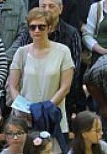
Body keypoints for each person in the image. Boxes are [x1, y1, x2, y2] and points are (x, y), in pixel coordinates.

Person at [8, 8, 74, 138]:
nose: (37, 30)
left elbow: (65, 87)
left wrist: (46, 108)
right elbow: (12, 86)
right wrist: (25, 110)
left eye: (41, 27)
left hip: (53, 116)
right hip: (25, 118)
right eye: (32, 27)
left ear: (49, 28)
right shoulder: (21, 52)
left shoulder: (63, 51)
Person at [36, 0, 84, 117]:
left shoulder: (71, 34)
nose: (47, 10)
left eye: (51, 6)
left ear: (61, 9)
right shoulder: (29, 32)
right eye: (43, 6)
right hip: (34, 89)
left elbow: (75, 68)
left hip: (64, 93)